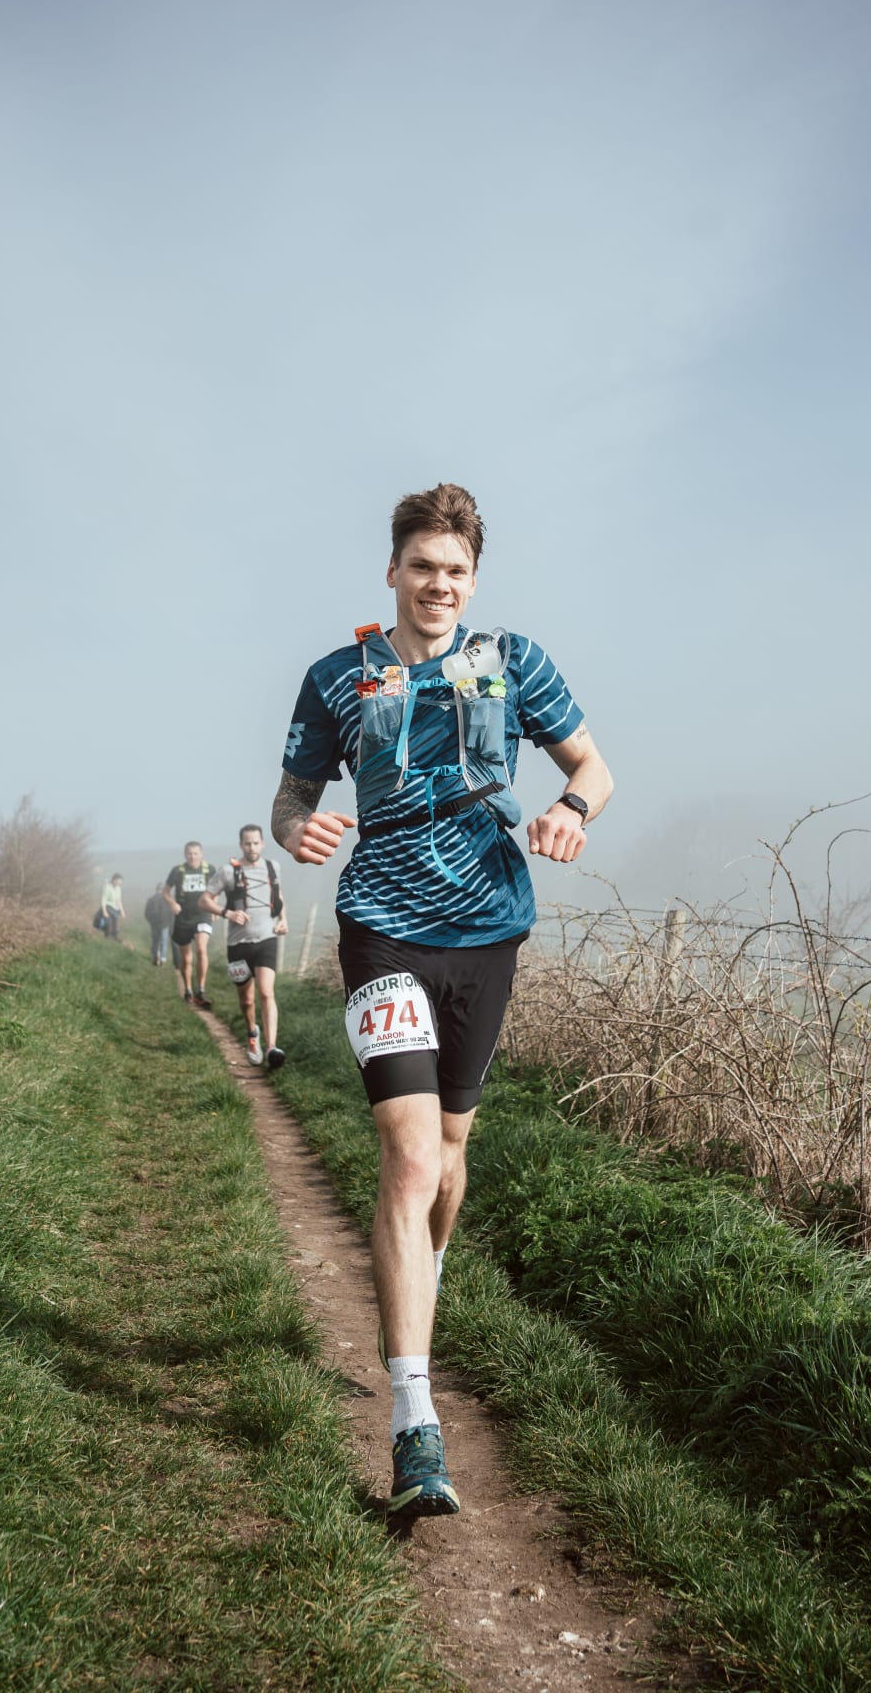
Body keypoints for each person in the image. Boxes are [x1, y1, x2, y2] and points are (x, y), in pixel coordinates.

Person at [270, 482, 612, 1521]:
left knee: (452, 1151)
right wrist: (294, 830)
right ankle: (414, 1422)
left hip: (489, 931)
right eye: (421, 565)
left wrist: (570, 810)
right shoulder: (338, 677)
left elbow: (594, 767)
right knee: (412, 1156)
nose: (437, 584)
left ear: (473, 581)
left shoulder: (514, 662)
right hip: (380, 926)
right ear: (392, 572)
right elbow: (292, 796)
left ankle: (426, 1260)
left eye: (455, 570)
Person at [200, 825, 289, 1068]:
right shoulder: (228, 871)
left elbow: (278, 897)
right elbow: (204, 901)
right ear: (241, 845)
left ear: (263, 843)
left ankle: (271, 1048)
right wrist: (228, 913)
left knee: (266, 992)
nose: (252, 847)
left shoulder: (272, 867)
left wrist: (283, 919)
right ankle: (252, 1033)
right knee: (247, 1000)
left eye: (256, 843)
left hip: (267, 939)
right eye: (247, 843)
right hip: (237, 944)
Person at [162, 841, 214, 1007]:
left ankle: (201, 990)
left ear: (201, 854)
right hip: (183, 917)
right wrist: (172, 903)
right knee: (186, 957)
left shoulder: (209, 869)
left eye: (195, 853)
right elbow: (165, 891)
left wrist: (214, 907)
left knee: (201, 948)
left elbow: (216, 889)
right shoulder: (177, 871)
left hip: (203, 915)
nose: (192, 857)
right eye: (189, 854)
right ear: (185, 855)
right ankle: (188, 990)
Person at [144, 882, 171, 966]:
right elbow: (171, 912)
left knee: (155, 940)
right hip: (164, 923)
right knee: (164, 941)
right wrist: (169, 922)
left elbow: (146, 913)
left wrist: (150, 921)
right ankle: (162, 958)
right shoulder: (168, 899)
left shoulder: (151, 899)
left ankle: (155, 956)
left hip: (154, 923)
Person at [101, 873, 125, 941]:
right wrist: (104, 911)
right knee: (109, 923)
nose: (119, 883)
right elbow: (103, 900)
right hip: (108, 907)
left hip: (115, 908)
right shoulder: (107, 887)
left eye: (120, 882)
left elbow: (118, 900)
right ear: (114, 880)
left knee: (115, 923)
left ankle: (115, 937)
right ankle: (108, 937)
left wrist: (122, 911)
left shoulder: (118, 888)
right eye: (118, 881)